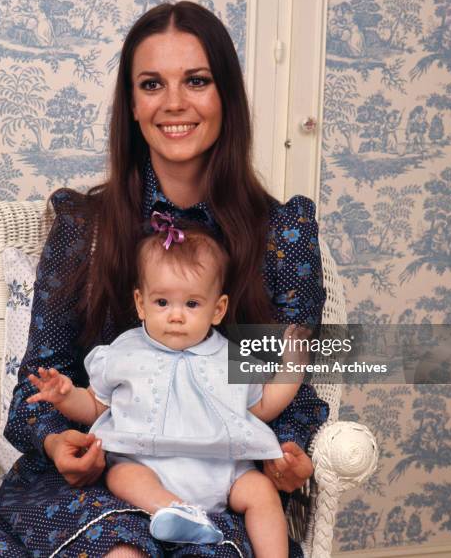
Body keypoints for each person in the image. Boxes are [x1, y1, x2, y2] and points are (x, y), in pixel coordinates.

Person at [0, 0, 328, 558]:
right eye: (151, 84)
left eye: (197, 80)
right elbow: (40, 384)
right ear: (132, 105)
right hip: (105, 479)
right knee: (119, 551)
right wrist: (58, 438)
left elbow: (292, 384)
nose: (174, 103)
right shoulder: (84, 229)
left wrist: (289, 452)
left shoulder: (281, 233)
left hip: (213, 486)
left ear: (226, 98)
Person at [26, 227, 308, 557]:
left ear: (217, 310)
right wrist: (66, 395)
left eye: (191, 303)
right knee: (122, 475)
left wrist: (292, 369)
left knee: (261, 493)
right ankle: (176, 511)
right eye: (162, 302)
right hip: (147, 465)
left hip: (223, 470)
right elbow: (94, 406)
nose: (175, 316)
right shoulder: (123, 352)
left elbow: (261, 407)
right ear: (140, 303)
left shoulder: (233, 358)